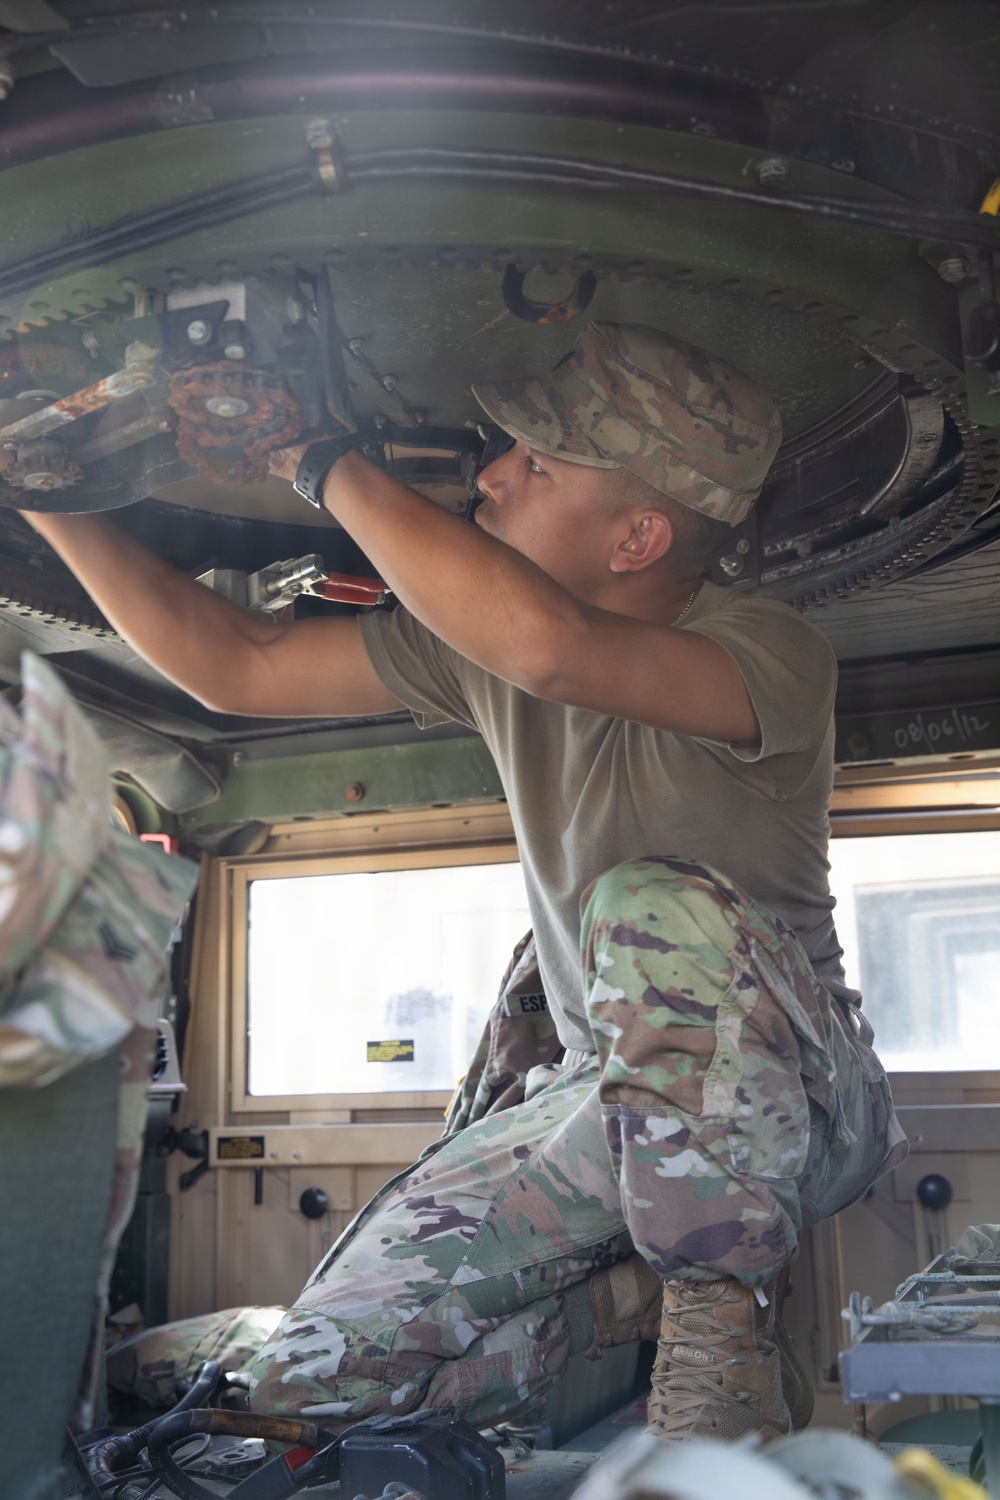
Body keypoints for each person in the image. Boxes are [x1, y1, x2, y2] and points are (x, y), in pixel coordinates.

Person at [22, 322, 906, 1445]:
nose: (490, 472)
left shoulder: (768, 650)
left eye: (535, 465)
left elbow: (548, 647)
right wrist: (42, 485)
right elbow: (228, 664)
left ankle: (716, 1318)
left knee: (645, 906)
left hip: (801, 1093)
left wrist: (319, 459)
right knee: (320, 1380)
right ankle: (600, 1303)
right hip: (598, 1093)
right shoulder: (485, 650)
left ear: (638, 535)